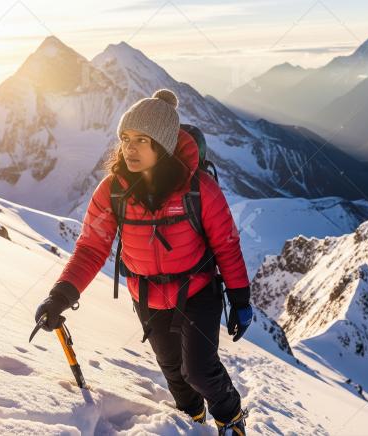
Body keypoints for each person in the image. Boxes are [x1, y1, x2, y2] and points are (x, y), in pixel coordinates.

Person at [34, 89, 253, 435]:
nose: (130, 148)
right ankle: (192, 421)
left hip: (197, 292)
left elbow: (226, 245)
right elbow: (91, 247)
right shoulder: (113, 191)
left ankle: (231, 417)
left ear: (162, 145)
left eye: (141, 140)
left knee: (199, 370)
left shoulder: (199, 188)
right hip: (148, 295)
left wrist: (240, 299)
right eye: (125, 139)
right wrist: (60, 295)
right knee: (174, 373)